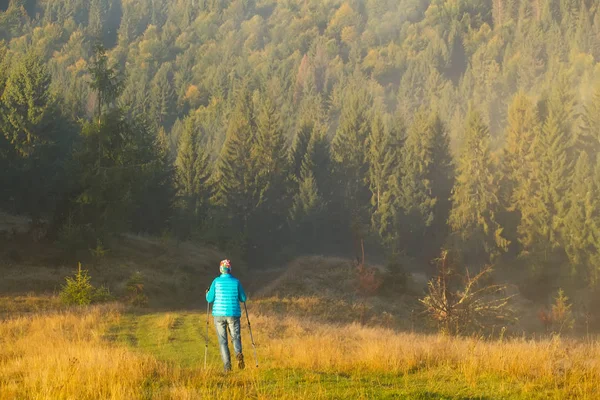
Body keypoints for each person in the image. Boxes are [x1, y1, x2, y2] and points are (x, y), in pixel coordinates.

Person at [206, 259, 247, 372]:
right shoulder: (236, 282)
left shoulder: (216, 282)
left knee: (223, 341)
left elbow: (210, 299)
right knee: (235, 337)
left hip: (219, 315)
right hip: (233, 313)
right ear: (230, 269)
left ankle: (227, 367)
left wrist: (206, 293)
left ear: (221, 269)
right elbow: (243, 298)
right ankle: (238, 353)